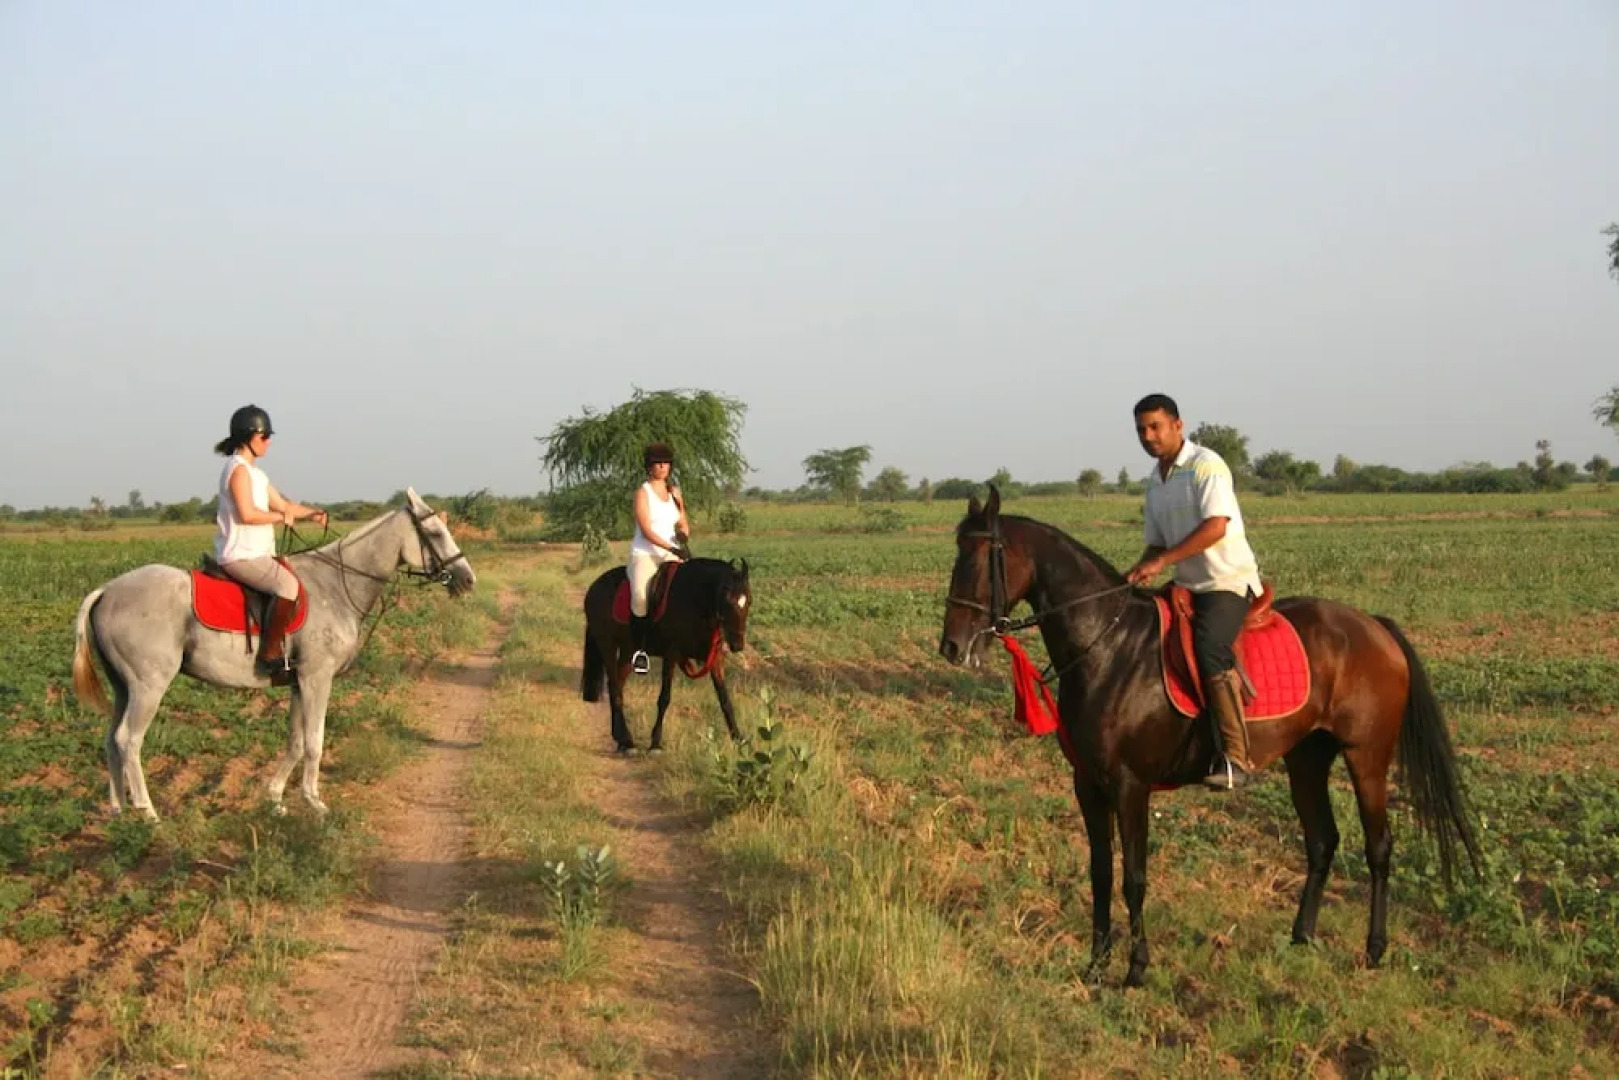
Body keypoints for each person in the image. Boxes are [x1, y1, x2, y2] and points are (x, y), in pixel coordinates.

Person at [1123, 394, 1263, 790]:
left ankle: (1237, 757)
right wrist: (1138, 568)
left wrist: (1163, 561)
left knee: (1210, 646)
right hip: (1186, 584)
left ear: (1178, 425)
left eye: (1155, 427)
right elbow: (1156, 543)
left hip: (1225, 581)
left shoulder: (1207, 465)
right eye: (1141, 430)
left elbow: (1216, 526)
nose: (1148, 436)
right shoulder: (1156, 479)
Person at [212, 405, 328, 677]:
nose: (269, 442)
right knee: (288, 586)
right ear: (247, 438)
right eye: (264, 437)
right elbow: (247, 514)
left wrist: (312, 513)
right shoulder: (237, 470)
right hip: (240, 554)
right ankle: (270, 653)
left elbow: (284, 505)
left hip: (259, 554)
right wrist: (279, 517)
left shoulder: (258, 475)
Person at [627, 441, 691, 674]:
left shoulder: (674, 494)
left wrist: (683, 536)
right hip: (646, 554)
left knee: (689, 592)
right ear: (649, 466)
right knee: (641, 596)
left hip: (672, 553)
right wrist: (671, 548)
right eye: (657, 463)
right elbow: (646, 530)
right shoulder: (642, 493)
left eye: (666, 463)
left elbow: (683, 524)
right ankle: (640, 650)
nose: (663, 467)